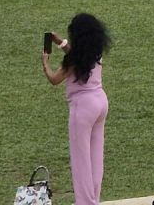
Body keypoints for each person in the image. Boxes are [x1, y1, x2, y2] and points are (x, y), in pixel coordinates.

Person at [43, 13, 110, 205]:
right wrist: (61, 43)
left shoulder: (75, 58)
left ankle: (84, 202)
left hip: (83, 108)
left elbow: (54, 79)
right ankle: (93, 199)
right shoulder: (95, 50)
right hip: (100, 102)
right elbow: (76, 56)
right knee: (96, 156)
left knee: (81, 159)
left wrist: (45, 63)